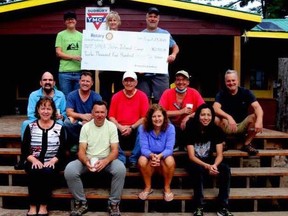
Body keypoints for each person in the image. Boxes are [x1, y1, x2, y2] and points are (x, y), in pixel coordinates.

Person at [64, 100, 126, 216]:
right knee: (70, 170)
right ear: (92, 113)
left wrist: (105, 161)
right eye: (96, 112)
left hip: (106, 159)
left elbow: (115, 151)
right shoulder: (86, 127)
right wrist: (86, 161)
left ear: (106, 113)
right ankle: (81, 202)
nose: (99, 115)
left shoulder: (111, 127)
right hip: (88, 159)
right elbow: (81, 151)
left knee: (120, 169)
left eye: (102, 112)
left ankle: (113, 203)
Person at [185, 103, 233, 216]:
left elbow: (220, 155)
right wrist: (207, 166)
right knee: (197, 170)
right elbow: (191, 156)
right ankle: (199, 206)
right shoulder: (191, 128)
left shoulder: (216, 130)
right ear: (198, 116)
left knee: (225, 169)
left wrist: (215, 165)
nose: (206, 118)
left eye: (208, 115)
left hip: (210, 161)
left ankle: (223, 206)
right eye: (203, 115)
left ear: (212, 117)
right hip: (194, 162)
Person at [22, 96, 66, 216]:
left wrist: (53, 160)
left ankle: (43, 205)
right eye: (43, 108)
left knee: (46, 172)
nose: (45, 111)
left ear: (53, 111)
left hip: (52, 162)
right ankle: (32, 205)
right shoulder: (30, 127)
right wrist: (34, 160)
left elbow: (62, 150)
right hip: (33, 160)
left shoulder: (59, 127)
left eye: (48, 109)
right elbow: (25, 150)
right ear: (37, 110)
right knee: (34, 170)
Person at [15, 71, 66, 170]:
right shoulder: (33, 95)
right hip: (38, 121)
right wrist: (43, 119)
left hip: (55, 121)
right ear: (41, 83)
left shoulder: (61, 95)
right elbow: (31, 114)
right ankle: (25, 157)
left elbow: (64, 113)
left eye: (50, 80)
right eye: (45, 80)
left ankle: (59, 155)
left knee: (62, 124)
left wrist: (61, 116)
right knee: (26, 124)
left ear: (54, 83)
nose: (48, 82)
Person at [213, 69, 264, 155]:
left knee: (255, 117)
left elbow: (257, 107)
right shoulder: (221, 94)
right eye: (228, 81)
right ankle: (222, 142)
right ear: (225, 82)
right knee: (215, 119)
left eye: (233, 80)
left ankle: (247, 144)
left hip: (242, 125)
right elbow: (215, 108)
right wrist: (229, 117)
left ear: (238, 81)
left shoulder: (246, 92)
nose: (231, 83)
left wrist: (259, 120)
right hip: (227, 125)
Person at [137, 7, 179, 104]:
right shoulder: (140, 35)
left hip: (161, 73)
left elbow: (175, 47)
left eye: (155, 17)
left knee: (162, 100)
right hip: (144, 74)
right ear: (146, 18)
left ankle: (161, 119)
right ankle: (146, 119)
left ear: (158, 19)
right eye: (150, 16)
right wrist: (137, 68)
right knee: (144, 100)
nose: (152, 19)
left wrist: (173, 55)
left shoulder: (164, 34)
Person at [109, 71, 149, 171]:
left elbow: (145, 117)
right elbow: (111, 117)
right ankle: (121, 159)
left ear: (136, 83)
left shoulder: (142, 96)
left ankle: (133, 160)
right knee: (109, 126)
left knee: (144, 127)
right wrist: (120, 126)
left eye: (131, 81)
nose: (129, 83)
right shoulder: (116, 96)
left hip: (135, 129)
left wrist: (131, 127)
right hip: (119, 129)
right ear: (122, 82)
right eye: (126, 81)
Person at [138, 104, 176, 202]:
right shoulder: (143, 128)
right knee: (142, 160)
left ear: (164, 117)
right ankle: (148, 187)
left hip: (163, 157)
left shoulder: (170, 128)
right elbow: (144, 149)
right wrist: (152, 156)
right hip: (150, 158)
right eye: (154, 116)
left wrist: (159, 156)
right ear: (150, 118)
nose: (157, 119)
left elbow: (169, 149)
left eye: (159, 116)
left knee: (170, 160)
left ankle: (167, 188)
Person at [159, 70, 205, 151]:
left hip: (187, 126)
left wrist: (188, 117)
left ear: (188, 82)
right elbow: (160, 112)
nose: (181, 82)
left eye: (183, 80)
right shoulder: (167, 93)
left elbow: (204, 109)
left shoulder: (194, 92)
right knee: (164, 120)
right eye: (178, 79)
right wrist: (181, 111)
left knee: (193, 121)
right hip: (172, 125)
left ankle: (188, 145)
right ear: (175, 82)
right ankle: (173, 144)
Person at [64, 71, 102, 161]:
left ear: (92, 83)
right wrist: (82, 116)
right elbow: (69, 112)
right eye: (83, 81)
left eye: (88, 81)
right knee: (67, 122)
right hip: (78, 122)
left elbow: (99, 113)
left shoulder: (96, 96)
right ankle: (75, 144)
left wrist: (89, 121)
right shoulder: (72, 95)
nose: (85, 83)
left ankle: (83, 146)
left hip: (91, 123)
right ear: (79, 82)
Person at [98, 11, 124, 105]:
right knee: (105, 95)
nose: (112, 22)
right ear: (107, 23)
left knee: (118, 93)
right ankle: (105, 115)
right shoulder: (101, 37)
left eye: (114, 20)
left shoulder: (125, 37)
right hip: (105, 70)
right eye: (110, 20)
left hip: (119, 70)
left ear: (118, 22)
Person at [55, 11, 82, 98]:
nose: (70, 21)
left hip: (79, 71)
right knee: (65, 97)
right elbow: (58, 53)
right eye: (68, 19)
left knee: (77, 97)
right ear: (65, 22)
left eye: (72, 19)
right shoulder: (60, 35)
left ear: (76, 21)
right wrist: (73, 57)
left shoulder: (82, 35)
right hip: (64, 72)